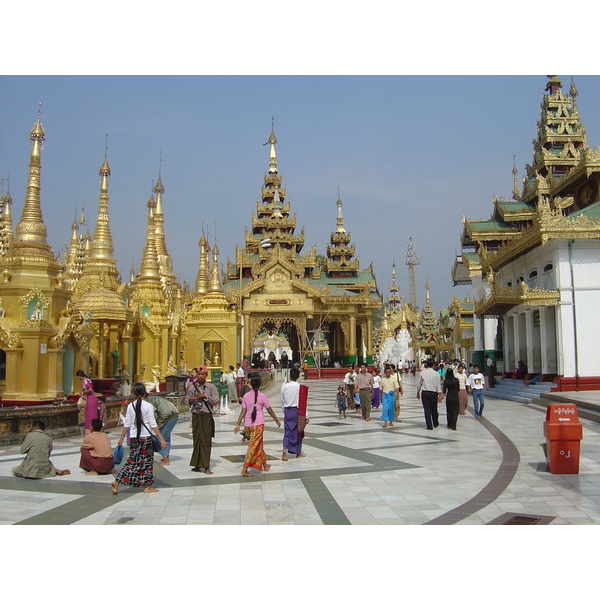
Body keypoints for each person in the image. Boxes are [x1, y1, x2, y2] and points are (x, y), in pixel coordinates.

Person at [111, 383, 167, 494]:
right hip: (145, 437)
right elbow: (153, 424)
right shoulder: (148, 406)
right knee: (146, 462)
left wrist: (122, 437)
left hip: (134, 438)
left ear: (134, 393)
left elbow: (127, 423)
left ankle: (119, 481)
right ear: (144, 392)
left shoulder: (130, 406)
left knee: (133, 460)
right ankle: (147, 486)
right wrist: (161, 438)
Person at [234, 374, 281, 476]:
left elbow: (243, 411)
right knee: (253, 446)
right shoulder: (263, 396)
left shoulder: (246, 396)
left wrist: (238, 424)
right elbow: (270, 410)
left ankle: (265, 465)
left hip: (248, 425)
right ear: (260, 384)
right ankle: (244, 469)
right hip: (258, 425)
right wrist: (276, 420)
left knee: (258, 444)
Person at [187, 365, 219, 474]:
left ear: (206, 375)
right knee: (197, 439)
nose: (200, 376)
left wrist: (204, 397)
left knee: (206, 440)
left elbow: (215, 401)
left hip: (206, 415)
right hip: (196, 415)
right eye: (199, 374)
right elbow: (186, 400)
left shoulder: (211, 387)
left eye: (202, 374)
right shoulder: (192, 387)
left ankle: (206, 465)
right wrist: (190, 401)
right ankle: (197, 464)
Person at [280, 367, 308, 460]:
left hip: (288, 410)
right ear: (298, 376)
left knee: (287, 431)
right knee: (298, 431)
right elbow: (303, 402)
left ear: (290, 375)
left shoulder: (284, 386)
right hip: (298, 411)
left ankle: (284, 451)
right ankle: (298, 452)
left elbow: (282, 399)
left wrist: (284, 410)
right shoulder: (300, 387)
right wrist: (306, 415)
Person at [146, 394, 179, 466]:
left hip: (167, 417)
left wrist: (154, 426)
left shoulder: (148, 401)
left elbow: (153, 415)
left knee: (161, 438)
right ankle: (166, 456)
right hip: (173, 415)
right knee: (166, 437)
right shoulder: (154, 397)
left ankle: (165, 460)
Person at [417, 359, 443, 430]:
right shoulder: (436, 374)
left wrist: (418, 392)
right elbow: (438, 385)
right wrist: (439, 393)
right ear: (433, 365)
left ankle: (429, 425)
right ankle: (435, 422)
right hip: (433, 393)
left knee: (427, 409)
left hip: (425, 392)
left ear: (426, 365)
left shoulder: (422, 373)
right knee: (434, 408)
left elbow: (420, 383)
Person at [76, 369, 97, 433]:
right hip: (88, 398)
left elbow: (90, 389)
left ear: (79, 375)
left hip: (91, 398)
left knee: (91, 415)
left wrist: (83, 393)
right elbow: (81, 390)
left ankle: (91, 429)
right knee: (88, 414)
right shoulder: (84, 381)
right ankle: (88, 429)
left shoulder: (86, 381)